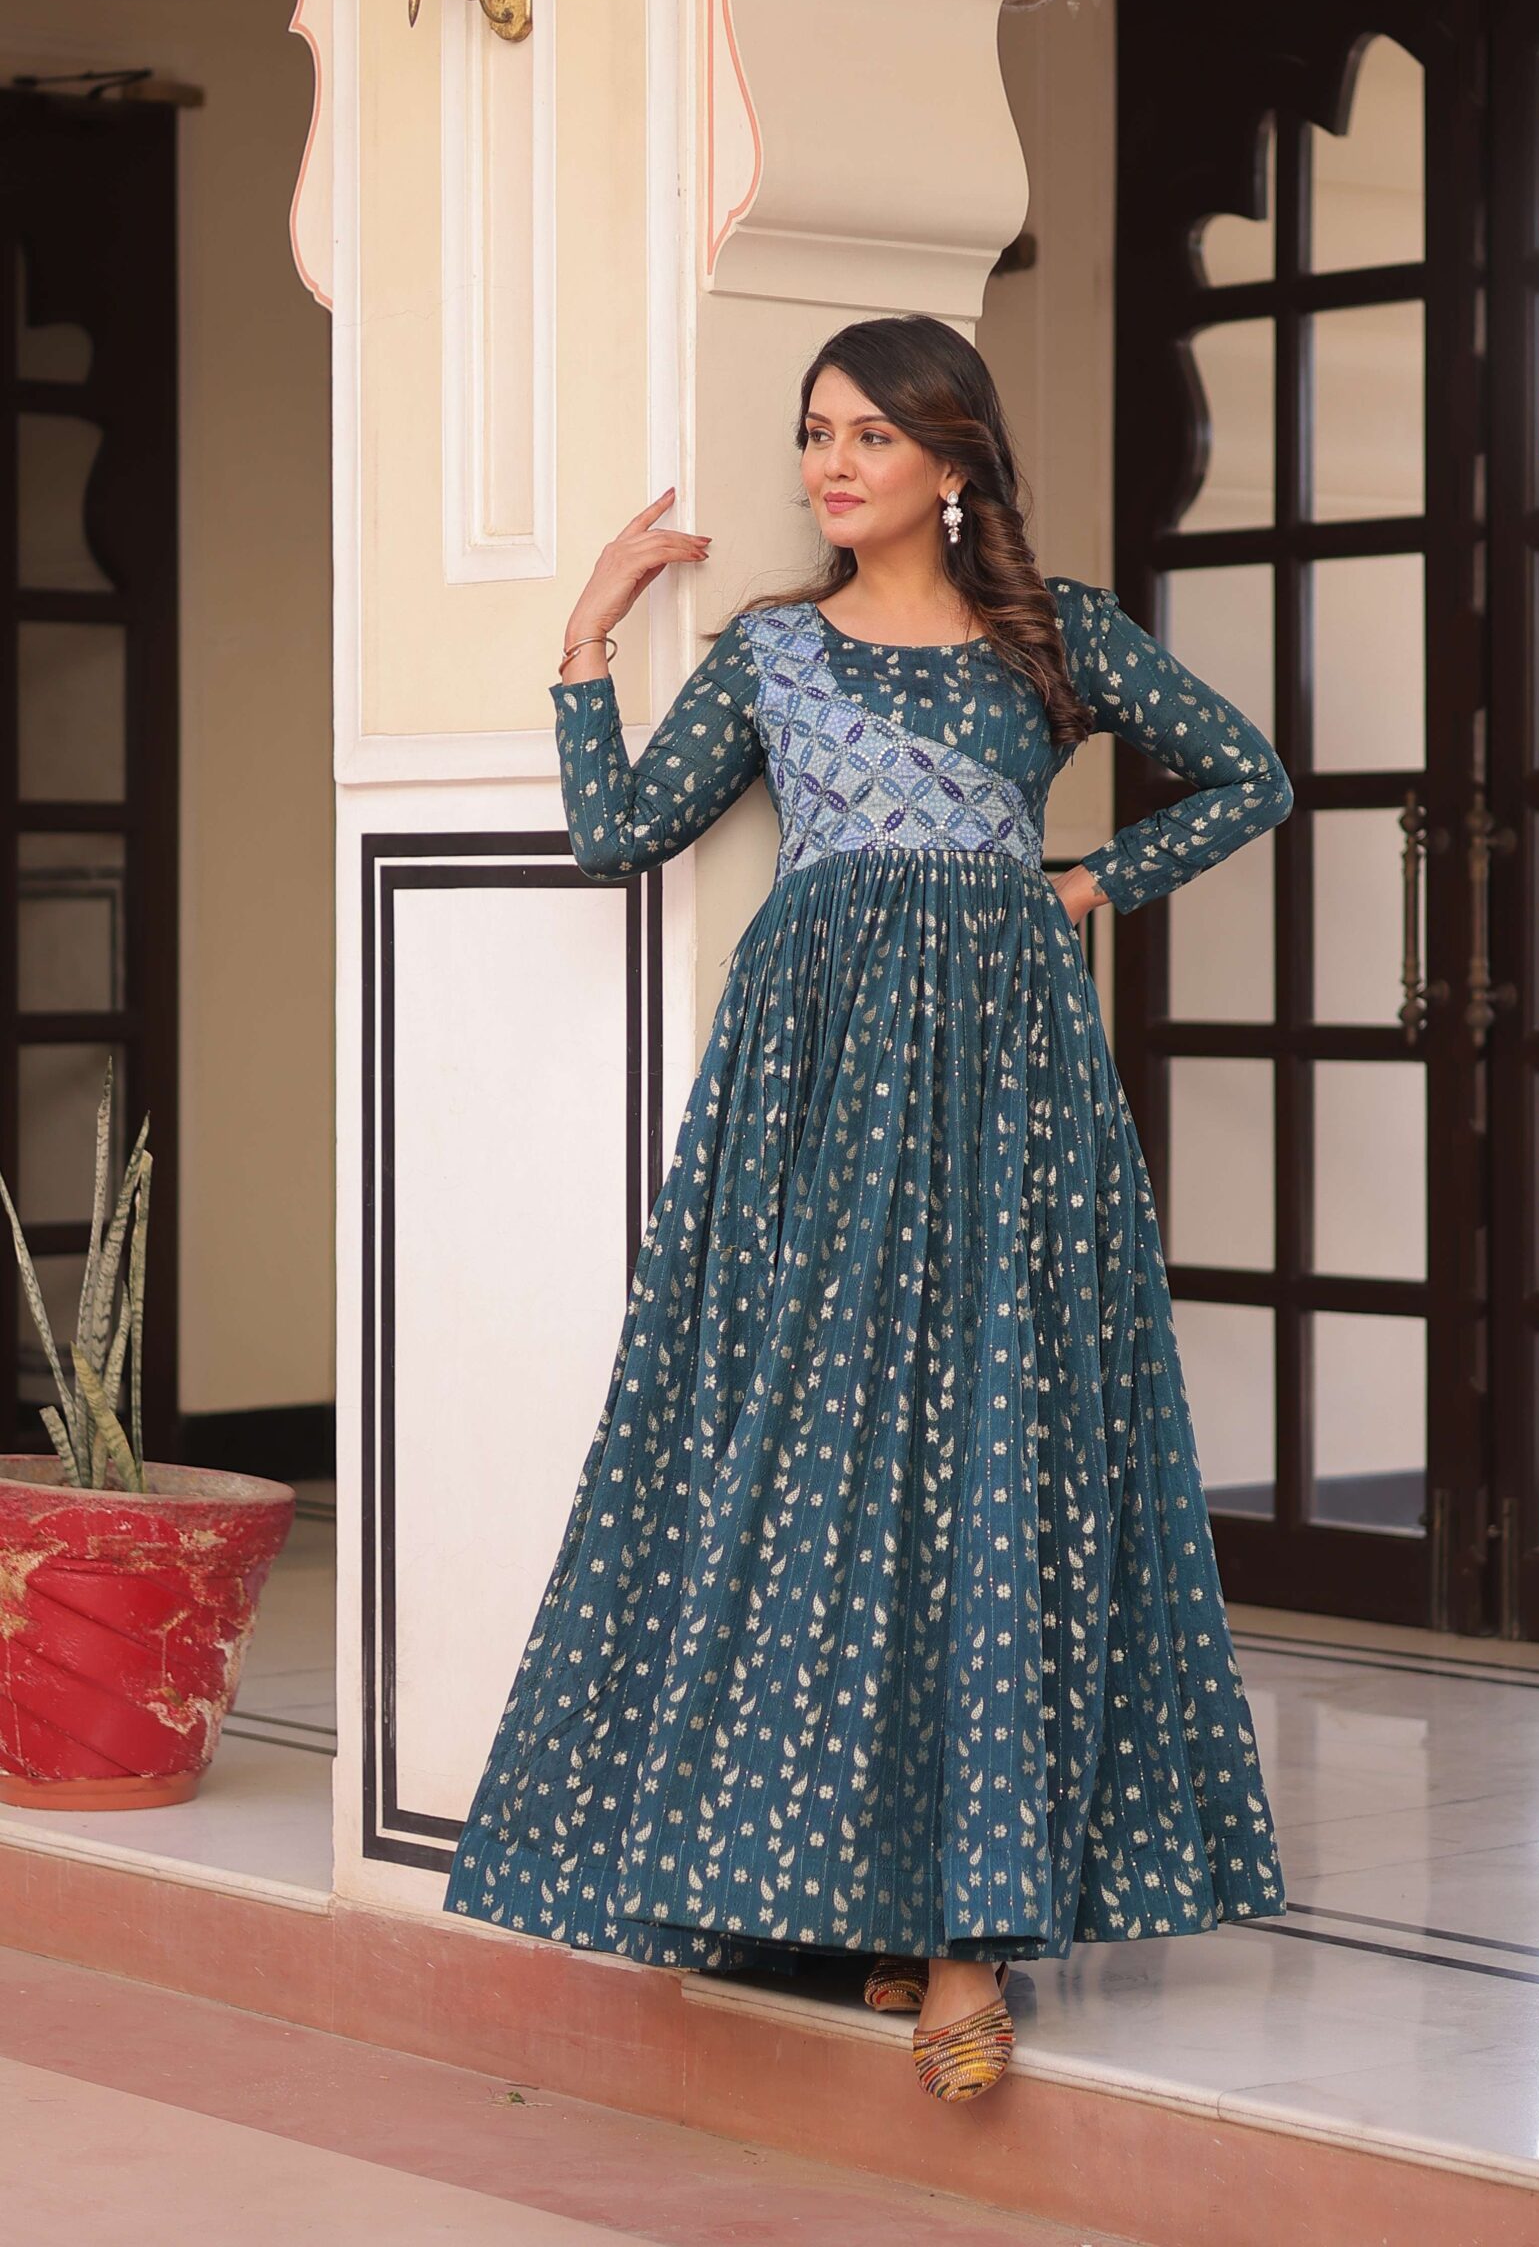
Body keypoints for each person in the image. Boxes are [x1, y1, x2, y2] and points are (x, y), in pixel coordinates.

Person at [446, 312, 1293, 2106]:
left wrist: (1088, 883)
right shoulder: (770, 651)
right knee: (823, 1469)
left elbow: (1253, 776)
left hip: (1006, 1091)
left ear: (954, 459)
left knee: (991, 1462)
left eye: (870, 437)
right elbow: (617, 835)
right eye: (816, 433)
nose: (831, 465)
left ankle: (967, 1939)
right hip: (811, 1093)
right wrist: (588, 633)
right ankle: (853, 1890)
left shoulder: (1052, 641)